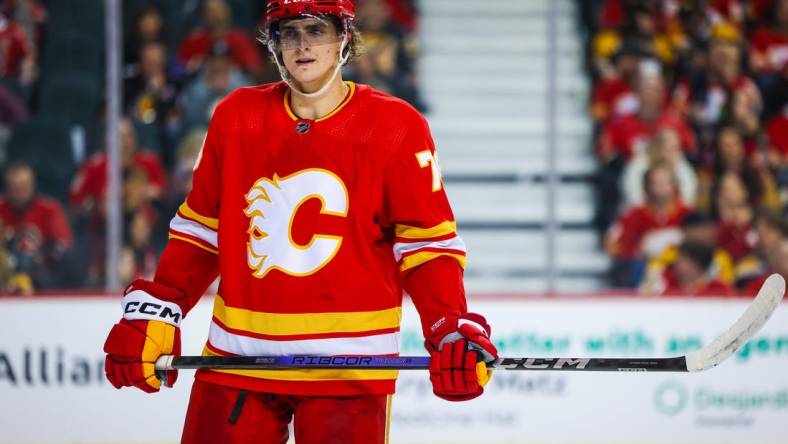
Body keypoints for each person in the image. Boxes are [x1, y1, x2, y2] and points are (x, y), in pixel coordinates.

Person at [102, 2, 498, 443]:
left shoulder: (397, 126)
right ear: (273, 45)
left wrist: (447, 328)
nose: (303, 44)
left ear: (344, 38)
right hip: (239, 359)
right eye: (289, 33)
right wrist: (163, 306)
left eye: (316, 29)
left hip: (349, 370)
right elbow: (202, 232)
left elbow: (427, 247)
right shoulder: (236, 117)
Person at [0, 162, 73, 290]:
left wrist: (41, 258)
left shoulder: (49, 209)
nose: (18, 193)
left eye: (23, 187)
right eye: (14, 188)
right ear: (7, 188)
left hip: (41, 273)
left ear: (32, 186)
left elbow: (63, 245)